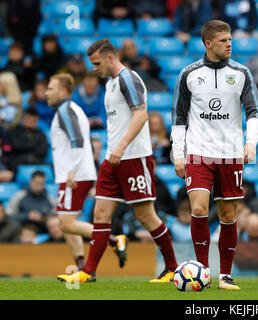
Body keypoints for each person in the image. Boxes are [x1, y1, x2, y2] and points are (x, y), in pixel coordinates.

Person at [57, 39, 178, 284]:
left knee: (146, 217)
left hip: (133, 158)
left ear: (111, 58)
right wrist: (114, 150)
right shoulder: (111, 84)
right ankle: (88, 272)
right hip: (112, 159)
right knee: (100, 213)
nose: (93, 68)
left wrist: (121, 147)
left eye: (96, 62)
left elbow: (141, 113)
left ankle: (173, 268)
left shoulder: (127, 78)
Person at [171, 20, 258, 290]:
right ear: (208, 44)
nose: (230, 43)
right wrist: (178, 154)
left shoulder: (242, 72)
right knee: (198, 208)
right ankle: (202, 271)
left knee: (228, 214)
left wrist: (252, 142)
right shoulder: (189, 74)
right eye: (223, 40)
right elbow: (178, 116)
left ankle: (225, 275)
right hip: (199, 152)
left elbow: (253, 111)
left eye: (230, 39)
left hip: (231, 153)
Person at [46, 73, 128, 271]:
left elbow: (78, 141)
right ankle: (82, 265)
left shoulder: (66, 110)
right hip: (75, 173)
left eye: (51, 88)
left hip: (73, 175)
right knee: (66, 221)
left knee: (65, 223)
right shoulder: (72, 109)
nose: (47, 93)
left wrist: (72, 171)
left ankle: (115, 241)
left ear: (63, 91)